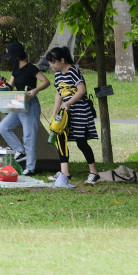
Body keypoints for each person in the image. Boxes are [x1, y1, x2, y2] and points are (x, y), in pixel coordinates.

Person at [46, 47, 99, 188]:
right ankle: (64, 173)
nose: (52, 65)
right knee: (60, 138)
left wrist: (68, 102)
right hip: (65, 113)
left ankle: (94, 173)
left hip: (80, 110)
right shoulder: (58, 75)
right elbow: (59, 93)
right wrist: (54, 112)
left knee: (81, 142)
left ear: (62, 60)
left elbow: (82, 90)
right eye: (50, 62)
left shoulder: (73, 71)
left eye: (53, 62)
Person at [0, 42, 50, 175]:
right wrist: (3, 90)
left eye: (10, 56)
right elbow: (10, 86)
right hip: (18, 104)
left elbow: (46, 81)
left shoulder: (30, 68)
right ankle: (21, 151)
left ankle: (30, 168)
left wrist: (35, 91)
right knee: (3, 127)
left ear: (16, 55)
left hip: (30, 105)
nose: (9, 59)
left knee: (28, 137)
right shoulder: (15, 70)